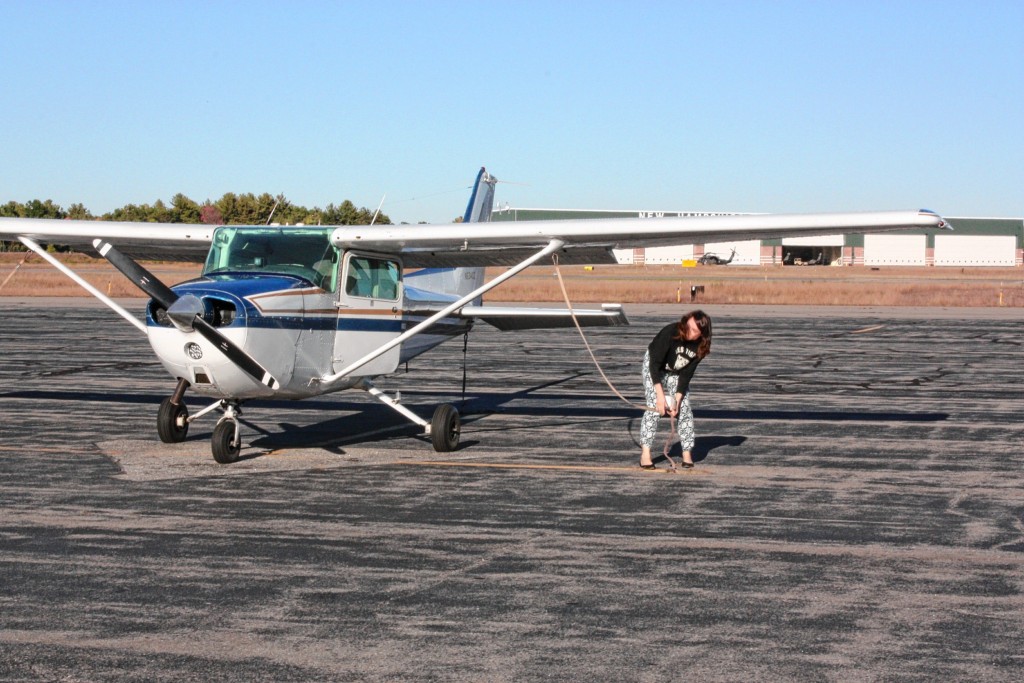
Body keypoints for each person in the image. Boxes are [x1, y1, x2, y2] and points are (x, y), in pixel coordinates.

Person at [639, 310, 712, 469]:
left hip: (676, 371)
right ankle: (645, 453)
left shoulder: (701, 346)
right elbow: (654, 365)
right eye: (688, 327)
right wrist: (660, 395)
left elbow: (686, 374)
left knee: (684, 408)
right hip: (655, 366)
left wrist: (677, 399)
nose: (689, 332)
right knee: (654, 406)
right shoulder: (670, 332)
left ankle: (686, 453)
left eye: (694, 331)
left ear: (702, 334)